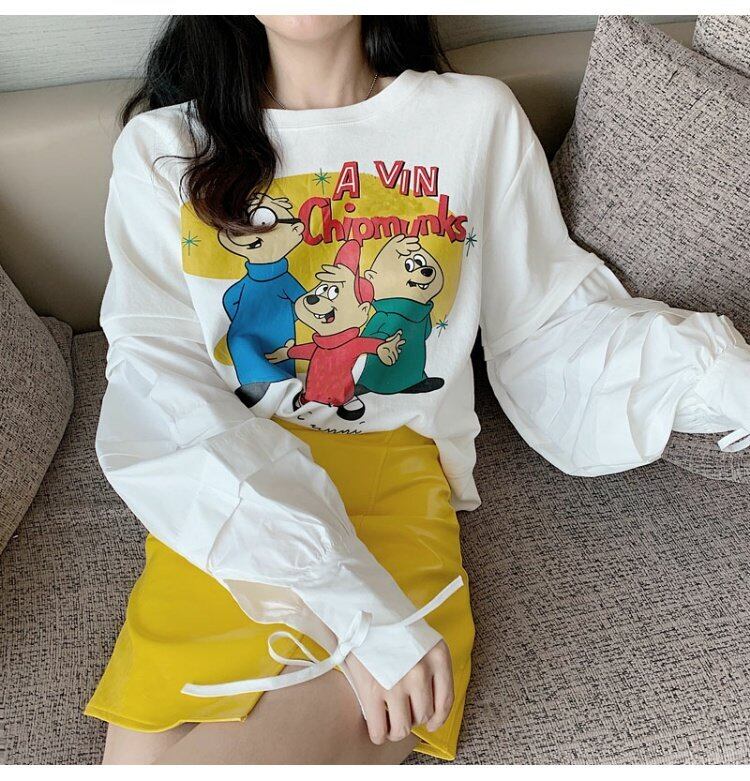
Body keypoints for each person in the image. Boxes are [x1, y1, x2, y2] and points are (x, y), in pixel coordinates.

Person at [85, 15, 750, 765]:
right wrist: (346, 600)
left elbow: (547, 327)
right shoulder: (164, 148)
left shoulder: (473, 119)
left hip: (387, 496)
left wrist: (713, 373)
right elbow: (157, 382)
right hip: (226, 506)